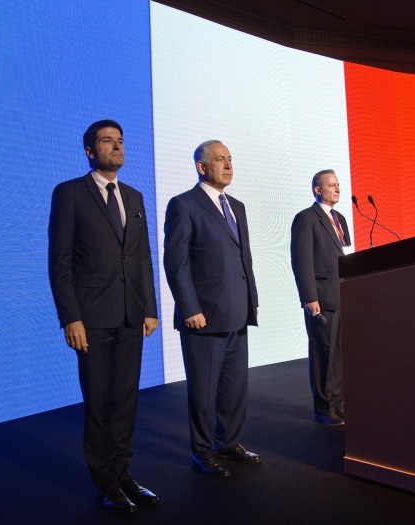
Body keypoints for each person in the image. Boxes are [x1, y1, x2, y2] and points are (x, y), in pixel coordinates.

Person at [48, 119, 159, 514]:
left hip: (131, 315)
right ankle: (105, 483)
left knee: (125, 401)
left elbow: (143, 258)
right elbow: (59, 262)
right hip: (91, 318)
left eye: (120, 141)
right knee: (99, 402)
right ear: (90, 151)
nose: (117, 147)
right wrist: (70, 317)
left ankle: (123, 472)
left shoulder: (134, 196)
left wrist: (150, 308)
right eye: (107, 141)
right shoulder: (70, 194)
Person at [163, 140, 261, 478]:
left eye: (231, 159)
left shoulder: (237, 205)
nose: (229, 165)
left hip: (237, 312)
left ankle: (228, 442)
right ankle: (202, 452)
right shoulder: (184, 205)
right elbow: (176, 262)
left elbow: (242, 259)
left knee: (235, 388)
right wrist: (189, 307)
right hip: (202, 317)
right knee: (204, 392)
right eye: (220, 160)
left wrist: (252, 300)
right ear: (202, 167)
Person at [290, 169, 352, 427]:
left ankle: (338, 405)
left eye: (338, 185)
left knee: (339, 354)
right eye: (331, 185)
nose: (337, 189)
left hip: (342, 294)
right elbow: (300, 260)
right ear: (317, 189)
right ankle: (323, 408)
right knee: (323, 353)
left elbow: (345, 255)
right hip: (321, 298)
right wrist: (309, 297)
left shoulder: (340, 218)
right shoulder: (306, 218)